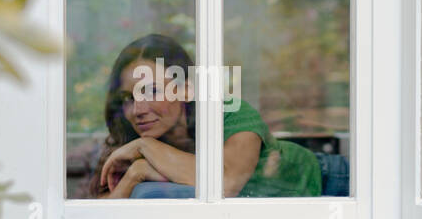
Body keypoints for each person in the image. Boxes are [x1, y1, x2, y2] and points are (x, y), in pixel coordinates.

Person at [87, 34, 327, 199]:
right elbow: (105, 211)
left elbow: (226, 182)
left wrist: (145, 146)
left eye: (151, 91)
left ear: (187, 89)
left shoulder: (229, 111)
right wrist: (135, 174)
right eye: (128, 98)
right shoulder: (135, 141)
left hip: (333, 183)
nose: (137, 110)